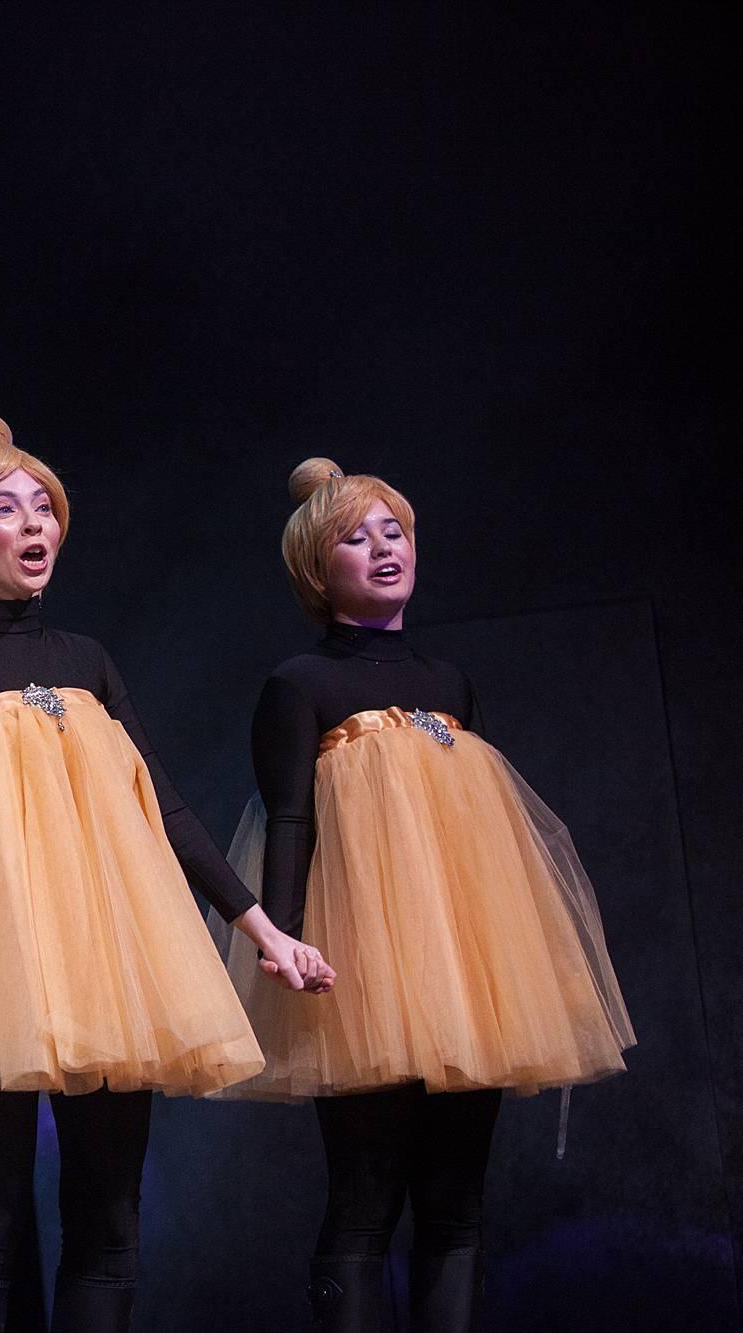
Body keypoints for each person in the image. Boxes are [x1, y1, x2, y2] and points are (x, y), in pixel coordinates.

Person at [0, 415, 331, 1333]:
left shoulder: (86, 660)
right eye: (6, 508)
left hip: (106, 957)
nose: (35, 523)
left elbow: (163, 807)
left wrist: (265, 930)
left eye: (45, 506)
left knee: (109, 1217)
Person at [224, 457, 634, 1331]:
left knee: (457, 1203)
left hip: (465, 968)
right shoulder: (303, 684)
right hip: (362, 968)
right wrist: (284, 939)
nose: (382, 548)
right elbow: (290, 817)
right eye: (353, 536)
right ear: (314, 568)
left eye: (394, 530)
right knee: (367, 1198)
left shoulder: (450, 685)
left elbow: (478, 835)